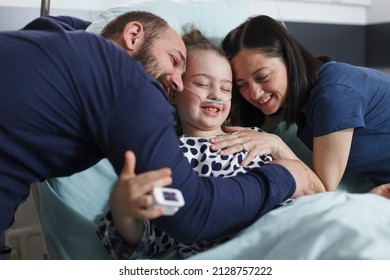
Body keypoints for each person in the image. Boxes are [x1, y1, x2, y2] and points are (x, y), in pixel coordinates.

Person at [0, 12, 315, 255]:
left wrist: (278, 149)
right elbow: (181, 220)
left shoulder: (59, 40)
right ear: (133, 34)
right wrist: (283, 176)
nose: (176, 81)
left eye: (227, 87)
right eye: (176, 63)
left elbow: (318, 192)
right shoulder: (139, 99)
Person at [97, 27, 281, 259]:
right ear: (174, 93)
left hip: (289, 229)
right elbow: (151, 240)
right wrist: (123, 211)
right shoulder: (168, 155)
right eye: (203, 84)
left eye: (226, 88)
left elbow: (311, 186)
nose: (216, 94)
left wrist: (277, 144)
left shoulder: (256, 136)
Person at [211, 14, 390, 197]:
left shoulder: (333, 94)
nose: (254, 93)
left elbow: (324, 189)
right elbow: (244, 129)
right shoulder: (297, 99)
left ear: (289, 59)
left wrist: (277, 146)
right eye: (242, 85)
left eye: (263, 77)